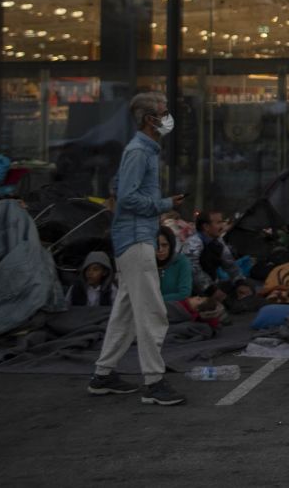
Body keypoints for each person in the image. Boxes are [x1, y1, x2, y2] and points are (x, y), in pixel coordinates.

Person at [87, 91, 185, 406]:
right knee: (151, 311)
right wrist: (164, 204)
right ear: (149, 119)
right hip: (136, 238)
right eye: (163, 111)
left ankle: (103, 375)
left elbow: (119, 189)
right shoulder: (139, 152)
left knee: (127, 312)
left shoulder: (143, 150)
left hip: (132, 237)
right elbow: (128, 198)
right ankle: (154, 382)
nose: (167, 116)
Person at [155, 227, 192, 303]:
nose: (160, 250)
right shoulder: (147, 263)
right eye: (156, 246)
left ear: (171, 245)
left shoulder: (181, 262)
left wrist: (156, 301)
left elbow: (184, 293)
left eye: (164, 245)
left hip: (174, 311)